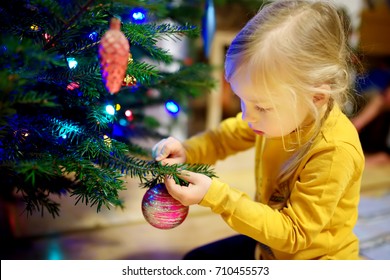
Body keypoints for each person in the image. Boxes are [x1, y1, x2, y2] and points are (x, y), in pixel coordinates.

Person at [152, 0, 364, 260]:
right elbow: (225, 137)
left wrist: (214, 194)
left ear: (316, 97)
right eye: (243, 99)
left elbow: (294, 234)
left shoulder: (334, 151)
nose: (247, 115)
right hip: (266, 248)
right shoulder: (283, 116)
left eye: (261, 107)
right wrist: (187, 151)